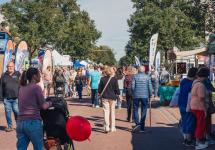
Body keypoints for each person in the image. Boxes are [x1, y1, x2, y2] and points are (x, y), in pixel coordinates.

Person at [16, 67, 51, 150]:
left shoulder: (21, 88)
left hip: (20, 123)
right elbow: (44, 106)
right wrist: (50, 103)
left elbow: (21, 105)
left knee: (21, 148)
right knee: (39, 147)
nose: (40, 77)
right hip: (33, 122)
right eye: (39, 75)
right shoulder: (36, 88)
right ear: (34, 76)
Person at [190, 67, 210, 150]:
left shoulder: (195, 82)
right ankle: (199, 143)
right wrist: (205, 110)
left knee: (198, 124)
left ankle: (198, 141)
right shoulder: (201, 85)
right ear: (205, 76)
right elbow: (201, 98)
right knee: (200, 125)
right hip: (199, 107)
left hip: (194, 106)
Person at [178, 67, 198, 146]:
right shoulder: (192, 84)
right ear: (195, 74)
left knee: (185, 121)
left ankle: (186, 139)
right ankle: (188, 141)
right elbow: (190, 96)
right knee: (190, 122)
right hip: (188, 105)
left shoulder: (183, 81)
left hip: (181, 104)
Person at [98, 66, 121, 133]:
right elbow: (117, 89)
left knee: (106, 112)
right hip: (113, 97)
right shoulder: (114, 79)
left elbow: (99, 89)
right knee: (112, 112)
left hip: (105, 97)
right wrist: (119, 95)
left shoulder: (102, 79)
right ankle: (112, 127)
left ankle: (106, 126)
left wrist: (99, 93)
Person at [0, 61, 20, 132]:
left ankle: (19, 126)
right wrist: (1, 97)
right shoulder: (3, 75)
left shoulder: (18, 74)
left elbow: (21, 85)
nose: (10, 68)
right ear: (6, 67)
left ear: (14, 67)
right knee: (8, 113)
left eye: (11, 66)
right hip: (7, 98)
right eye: (8, 66)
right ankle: (10, 126)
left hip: (16, 98)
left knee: (17, 112)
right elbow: (1, 87)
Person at [132, 65, 152, 132]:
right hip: (145, 95)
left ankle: (137, 123)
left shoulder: (135, 76)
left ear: (138, 70)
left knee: (135, 109)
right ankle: (142, 127)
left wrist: (133, 93)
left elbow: (132, 87)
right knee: (144, 110)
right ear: (144, 70)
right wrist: (151, 95)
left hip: (136, 95)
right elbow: (150, 87)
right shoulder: (147, 77)